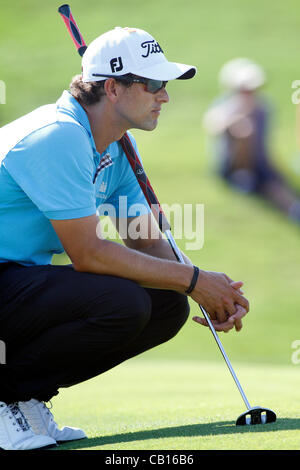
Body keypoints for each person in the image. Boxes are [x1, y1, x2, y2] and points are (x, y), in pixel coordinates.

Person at [0, 27, 249, 450]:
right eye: (153, 85)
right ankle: (7, 398)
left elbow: (146, 241)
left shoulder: (116, 146)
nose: (164, 96)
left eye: (165, 85)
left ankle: (25, 397)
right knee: (121, 302)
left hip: (18, 283)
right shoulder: (57, 135)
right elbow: (88, 254)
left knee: (166, 304)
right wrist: (193, 279)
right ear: (112, 88)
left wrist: (204, 286)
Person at [203, 58, 300, 223]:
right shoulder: (226, 106)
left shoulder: (263, 107)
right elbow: (213, 125)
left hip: (259, 162)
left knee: (276, 185)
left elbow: (263, 145)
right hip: (232, 166)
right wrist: (236, 121)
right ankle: (243, 177)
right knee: (243, 130)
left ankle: (293, 210)